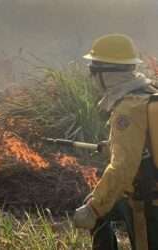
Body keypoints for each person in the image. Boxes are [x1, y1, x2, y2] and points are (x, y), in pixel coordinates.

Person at [73, 34, 158, 250]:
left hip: (146, 200)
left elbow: (123, 166)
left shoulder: (128, 109)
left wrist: (93, 209)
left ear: (106, 73)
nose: (92, 77)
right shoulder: (146, 93)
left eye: (93, 70)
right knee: (100, 209)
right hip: (140, 191)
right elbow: (142, 145)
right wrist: (111, 147)